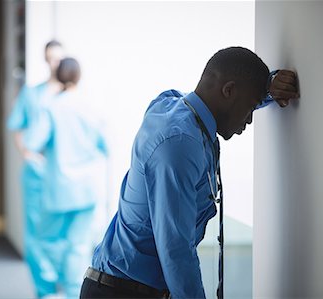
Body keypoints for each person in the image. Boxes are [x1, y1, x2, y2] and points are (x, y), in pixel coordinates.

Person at [80, 47, 299, 299]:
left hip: (128, 287)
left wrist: (267, 87)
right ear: (228, 91)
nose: (249, 120)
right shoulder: (179, 144)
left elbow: (231, 87)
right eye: (250, 107)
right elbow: (176, 250)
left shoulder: (173, 105)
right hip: (121, 293)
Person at [33, 57, 108, 298]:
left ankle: (51, 290)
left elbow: (34, 141)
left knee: (49, 242)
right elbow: (105, 145)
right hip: (86, 189)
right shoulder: (91, 106)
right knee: (78, 246)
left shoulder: (52, 107)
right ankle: (73, 292)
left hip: (59, 188)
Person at [7, 40, 65, 298]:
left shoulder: (71, 95)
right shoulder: (32, 93)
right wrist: (27, 154)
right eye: (50, 58)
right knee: (35, 234)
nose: (54, 63)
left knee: (64, 234)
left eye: (58, 58)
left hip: (64, 176)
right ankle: (44, 289)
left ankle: (65, 283)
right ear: (44, 60)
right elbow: (17, 126)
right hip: (37, 173)